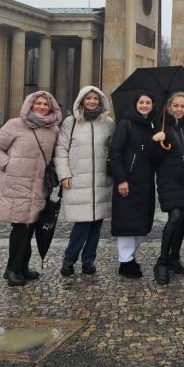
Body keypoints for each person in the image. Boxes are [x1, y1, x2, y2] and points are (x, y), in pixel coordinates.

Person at [0, 91, 62, 286]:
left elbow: (55, 156)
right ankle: (12, 269)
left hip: (39, 185)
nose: (41, 107)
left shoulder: (53, 129)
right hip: (16, 184)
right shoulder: (15, 124)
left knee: (32, 227)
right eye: (37, 103)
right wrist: (9, 164)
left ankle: (22, 266)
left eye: (45, 104)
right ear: (30, 104)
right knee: (20, 227)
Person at [54, 86, 115, 277]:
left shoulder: (109, 123)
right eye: (88, 98)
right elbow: (61, 150)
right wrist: (64, 174)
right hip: (77, 180)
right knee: (82, 224)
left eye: (95, 99)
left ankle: (89, 260)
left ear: (101, 101)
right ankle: (69, 260)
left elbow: (113, 150)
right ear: (81, 101)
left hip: (101, 180)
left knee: (96, 223)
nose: (92, 102)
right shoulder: (70, 123)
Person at [149, 92, 184, 285]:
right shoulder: (160, 125)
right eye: (175, 106)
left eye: (182, 106)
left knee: (183, 218)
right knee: (175, 216)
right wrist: (155, 141)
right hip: (168, 178)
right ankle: (161, 261)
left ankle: (174, 257)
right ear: (169, 107)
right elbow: (152, 158)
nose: (179, 109)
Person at [109, 92, 157, 278]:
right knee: (127, 224)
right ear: (135, 104)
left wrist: (160, 142)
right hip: (127, 181)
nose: (144, 105)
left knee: (142, 225)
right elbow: (115, 152)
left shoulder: (151, 126)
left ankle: (129, 257)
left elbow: (151, 155)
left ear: (152, 106)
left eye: (148, 102)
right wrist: (121, 179)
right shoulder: (125, 124)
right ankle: (125, 261)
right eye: (141, 102)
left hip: (144, 181)